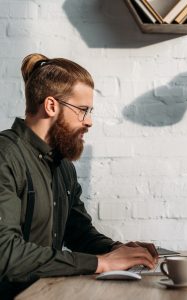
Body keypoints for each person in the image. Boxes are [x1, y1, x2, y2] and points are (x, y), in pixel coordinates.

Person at [0, 54, 157, 298]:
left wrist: (119, 250)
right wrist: (101, 263)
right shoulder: (5, 155)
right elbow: (6, 254)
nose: (90, 121)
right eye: (83, 110)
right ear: (51, 106)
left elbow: (79, 233)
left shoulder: (63, 167)